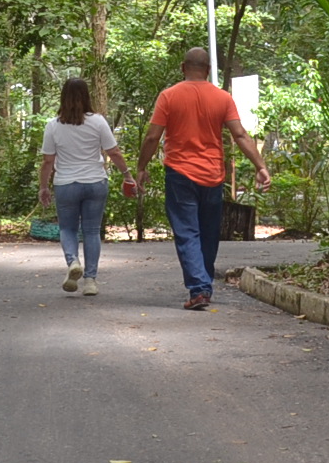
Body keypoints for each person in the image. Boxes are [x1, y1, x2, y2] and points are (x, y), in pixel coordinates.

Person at [137, 47, 270, 310]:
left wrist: (141, 167)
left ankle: (199, 289)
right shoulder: (222, 98)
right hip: (212, 175)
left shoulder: (169, 96)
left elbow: (153, 137)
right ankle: (203, 287)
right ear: (208, 71)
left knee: (187, 232)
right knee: (208, 234)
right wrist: (260, 166)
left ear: (183, 67)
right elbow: (240, 135)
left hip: (180, 174)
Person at [37, 76, 134, 295]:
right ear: (86, 96)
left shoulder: (53, 126)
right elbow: (114, 152)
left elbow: (47, 161)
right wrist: (127, 175)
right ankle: (90, 280)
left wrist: (43, 187)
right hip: (95, 183)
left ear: (63, 97)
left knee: (67, 228)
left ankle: (73, 262)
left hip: (66, 184)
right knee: (91, 231)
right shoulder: (98, 121)